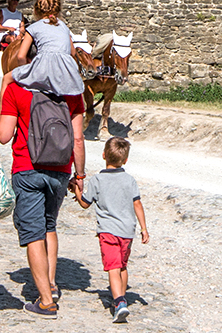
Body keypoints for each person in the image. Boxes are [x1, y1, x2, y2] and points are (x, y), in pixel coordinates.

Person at [0, 55, 88, 318]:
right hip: (60, 170)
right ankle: (52, 284)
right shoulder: (72, 94)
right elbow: (78, 139)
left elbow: (3, 136)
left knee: (33, 232)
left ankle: (46, 300)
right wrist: (79, 176)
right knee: (49, 226)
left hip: (28, 167)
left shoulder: (17, 89)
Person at [72, 137, 150, 323]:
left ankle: (119, 302)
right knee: (122, 265)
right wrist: (144, 229)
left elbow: (84, 203)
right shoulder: (129, 180)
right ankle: (121, 298)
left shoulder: (98, 179)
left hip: (108, 231)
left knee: (113, 267)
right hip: (127, 231)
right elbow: (137, 204)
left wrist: (75, 189)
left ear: (103, 155)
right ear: (125, 160)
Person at [4, 0, 85, 98]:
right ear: (58, 10)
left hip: (42, 70)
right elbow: (73, 53)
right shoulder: (64, 27)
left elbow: (20, 56)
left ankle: (2, 112)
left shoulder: (33, 28)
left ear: (36, 10)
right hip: (64, 74)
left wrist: (24, 71)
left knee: (6, 79)